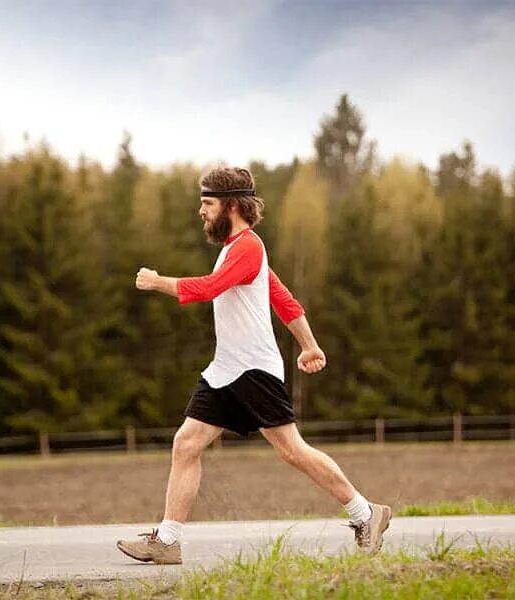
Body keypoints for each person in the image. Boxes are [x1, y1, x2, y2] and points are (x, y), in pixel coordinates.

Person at [116, 166, 390, 565]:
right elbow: (284, 300)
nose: (201, 212)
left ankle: (367, 514)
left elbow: (210, 289)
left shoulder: (248, 247)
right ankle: (168, 540)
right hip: (227, 369)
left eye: (207, 204)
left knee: (293, 452)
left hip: (253, 372)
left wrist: (159, 282)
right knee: (186, 443)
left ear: (231, 205)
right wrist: (310, 346)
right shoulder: (236, 251)